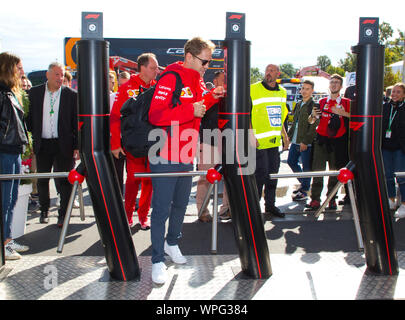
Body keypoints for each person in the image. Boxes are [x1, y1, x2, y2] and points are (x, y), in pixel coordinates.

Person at [148, 37, 224, 284]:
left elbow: (201, 103)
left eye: (209, 62)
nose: (206, 66)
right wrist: (189, 111)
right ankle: (157, 259)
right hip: (164, 154)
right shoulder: (170, 78)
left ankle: (172, 244)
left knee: (181, 203)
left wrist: (214, 95)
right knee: (161, 209)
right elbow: (155, 115)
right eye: (204, 61)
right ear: (190, 57)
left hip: (186, 153)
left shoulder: (198, 79)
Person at [110, 53, 159, 228]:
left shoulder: (158, 88)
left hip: (154, 144)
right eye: (153, 68)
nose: (156, 71)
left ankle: (143, 217)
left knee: (150, 182)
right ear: (143, 68)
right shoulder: (127, 88)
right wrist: (115, 144)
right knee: (132, 181)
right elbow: (115, 117)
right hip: (134, 145)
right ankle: (128, 216)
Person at [27, 62, 79, 227]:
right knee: (43, 179)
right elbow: (29, 120)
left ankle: (63, 215)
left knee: (65, 181)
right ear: (47, 75)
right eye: (56, 74)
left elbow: (76, 123)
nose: (60, 78)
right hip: (42, 143)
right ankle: (44, 210)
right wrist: (30, 142)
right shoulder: (34, 93)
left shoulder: (71, 95)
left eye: (62, 74)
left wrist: (77, 146)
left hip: (63, 144)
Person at [0, 52, 30, 260]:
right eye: (18, 68)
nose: (21, 71)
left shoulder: (10, 93)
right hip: (4, 152)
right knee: (4, 200)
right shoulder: (2, 94)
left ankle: (7, 239)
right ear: (7, 68)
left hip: (14, 151)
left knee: (11, 200)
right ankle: (4, 244)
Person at [306, 74, 350, 211]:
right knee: (317, 171)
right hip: (321, 140)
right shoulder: (322, 101)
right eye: (332, 82)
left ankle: (331, 199)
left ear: (341, 86)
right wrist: (313, 115)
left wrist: (342, 113)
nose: (334, 84)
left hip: (338, 141)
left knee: (334, 172)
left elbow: (355, 117)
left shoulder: (347, 102)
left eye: (337, 82)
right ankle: (315, 199)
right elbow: (311, 121)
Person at [250, 64, 289, 218]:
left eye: (272, 71)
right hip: (258, 142)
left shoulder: (283, 92)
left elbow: (280, 117)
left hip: (274, 143)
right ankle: (254, 208)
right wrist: (251, 135)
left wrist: (285, 136)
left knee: (273, 175)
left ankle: (270, 206)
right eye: (267, 70)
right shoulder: (253, 89)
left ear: (278, 74)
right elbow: (246, 113)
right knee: (260, 175)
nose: (268, 73)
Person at [196, 70, 230, 222]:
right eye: (223, 80)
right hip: (209, 144)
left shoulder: (231, 97)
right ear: (215, 82)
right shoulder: (206, 97)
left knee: (231, 179)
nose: (226, 84)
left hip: (228, 144)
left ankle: (226, 210)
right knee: (205, 179)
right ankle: (203, 211)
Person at [287, 79, 318, 201]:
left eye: (307, 89)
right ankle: (305, 184)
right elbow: (295, 123)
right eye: (303, 88)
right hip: (295, 140)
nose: (304, 91)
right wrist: (288, 137)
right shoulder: (299, 104)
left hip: (306, 143)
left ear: (312, 91)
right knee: (291, 161)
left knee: (306, 167)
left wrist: (305, 141)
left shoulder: (315, 106)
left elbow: (314, 126)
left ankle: (305, 190)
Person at [381, 82, 405, 218]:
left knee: (401, 177)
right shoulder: (385, 107)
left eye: (398, 92)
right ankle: (391, 199)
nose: (395, 94)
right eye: (393, 92)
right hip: (386, 147)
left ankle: (404, 203)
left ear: (403, 95)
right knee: (388, 175)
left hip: (400, 148)